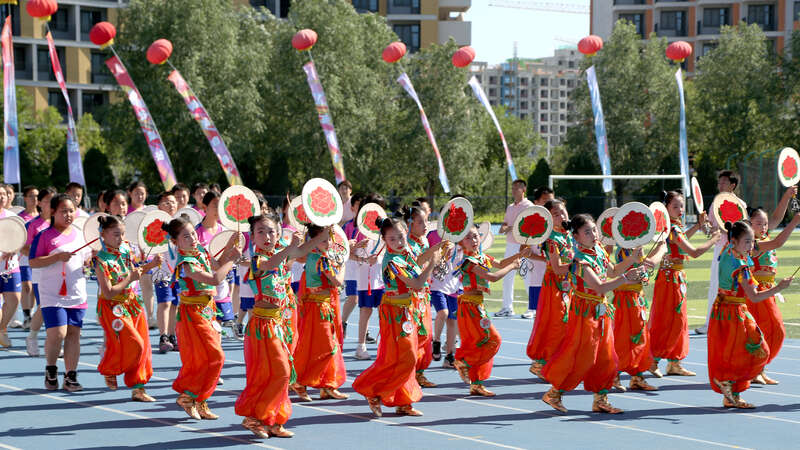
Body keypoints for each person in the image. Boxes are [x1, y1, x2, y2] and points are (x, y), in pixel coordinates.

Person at [235, 213, 326, 438]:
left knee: (282, 374)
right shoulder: (257, 260)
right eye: (261, 232)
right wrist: (289, 248)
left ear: (279, 233)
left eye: (272, 231)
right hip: (263, 326)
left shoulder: (282, 254)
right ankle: (253, 417)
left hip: (281, 323)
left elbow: (302, 251)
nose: (267, 236)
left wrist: (323, 233)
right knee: (276, 373)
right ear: (252, 237)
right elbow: (271, 263)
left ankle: (273, 419)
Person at [541, 214, 642, 414]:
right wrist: (626, 278)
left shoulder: (599, 250)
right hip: (584, 313)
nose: (593, 234)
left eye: (594, 229)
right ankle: (555, 392)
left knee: (607, 357)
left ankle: (600, 399)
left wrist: (631, 259)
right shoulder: (579, 261)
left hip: (601, 311)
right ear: (576, 237)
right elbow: (599, 286)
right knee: (582, 357)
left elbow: (611, 271)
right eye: (587, 232)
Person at [352, 215, 441, 417]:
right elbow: (417, 283)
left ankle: (403, 401)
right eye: (392, 239)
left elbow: (418, 266)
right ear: (385, 240)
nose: (399, 242)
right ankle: (372, 389)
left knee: (405, 356)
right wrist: (432, 264)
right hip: (395, 313)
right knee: (405, 358)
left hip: (408, 310)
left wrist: (435, 252)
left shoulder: (406, 252)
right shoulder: (392, 261)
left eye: (401, 237)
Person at [164, 215, 241, 420]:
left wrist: (230, 246)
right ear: (175, 242)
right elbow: (215, 278)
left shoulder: (200, 251)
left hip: (207, 310)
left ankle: (199, 399)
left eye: (193, 234)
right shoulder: (186, 263)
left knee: (209, 359)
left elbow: (217, 265)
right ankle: (189, 396)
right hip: (193, 315)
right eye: (186, 236)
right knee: (214, 357)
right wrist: (234, 259)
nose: (192, 239)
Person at [709, 221, 792, 408]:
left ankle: (731, 392)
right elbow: (754, 297)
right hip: (735, 314)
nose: (751, 246)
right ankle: (730, 385)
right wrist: (779, 287)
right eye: (747, 242)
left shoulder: (726, 252)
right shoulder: (742, 267)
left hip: (722, 311)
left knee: (732, 352)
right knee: (757, 351)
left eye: (752, 241)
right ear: (735, 240)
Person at [697, 171, 792, 334]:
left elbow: (772, 221)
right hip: (727, 251)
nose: (720, 185)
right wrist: (704, 226)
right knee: (719, 288)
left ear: (732, 185)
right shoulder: (716, 204)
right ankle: (714, 323)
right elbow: (711, 229)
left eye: (724, 182)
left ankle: (723, 325)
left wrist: (788, 196)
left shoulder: (741, 206)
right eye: (719, 182)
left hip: (737, 251)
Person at [649, 190, 719, 377]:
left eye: (681, 206)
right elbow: (693, 252)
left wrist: (697, 225)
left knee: (678, 321)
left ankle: (674, 362)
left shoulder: (673, 227)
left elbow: (682, 240)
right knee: (666, 320)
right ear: (666, 208)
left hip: (674, 277)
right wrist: (714, 239)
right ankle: (653, 359)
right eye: (675, 206)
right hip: (670, 278)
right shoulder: (673, 228)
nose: (680, 210)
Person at [29, 194, 93, 391]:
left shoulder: (82, 234)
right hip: (52, 294)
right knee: (58, 333)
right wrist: (57, 258)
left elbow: (87, 259)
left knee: (74, 334)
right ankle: (51, 369)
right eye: (63, 211)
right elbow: (33, 261)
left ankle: (70, 376)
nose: (68, 214)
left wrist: (88, 265)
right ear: (53, 212)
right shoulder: (44, 236)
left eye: (71, 210)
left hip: (76, 293)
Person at [93, 215, 161, 402]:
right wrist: (130, 278)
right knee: (135, 344)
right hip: (113, 307)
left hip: (132, 303)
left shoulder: (125, 249)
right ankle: (110, 368)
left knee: (144, 346)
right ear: (103, 234)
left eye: (122, 234)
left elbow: (135, 271)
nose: (121, 238)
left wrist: (152, 265)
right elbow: (108, 292)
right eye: (116, 234)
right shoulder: (100, 260)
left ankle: (138, 388)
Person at [453, 223, 525, 396]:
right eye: (468, 237)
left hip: (477, 304)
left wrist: (521, 254)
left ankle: (476, 383)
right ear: (461, 243)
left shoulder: (481, 256)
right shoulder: (468, 261)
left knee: (480, 342)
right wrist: (513, 266)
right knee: (493, 340)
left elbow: (500, 263)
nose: (474, 239)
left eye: (476, 235)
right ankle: (464, 362)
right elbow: (492, 277)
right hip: (470, 306)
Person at [291, 224, 349, 402]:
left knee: (315, 346)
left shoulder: (313, 256)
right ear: (314, 241)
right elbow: (337, 281)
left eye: (328, 239)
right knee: (327, 347)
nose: (328, 243)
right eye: (323, 239)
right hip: (320, 309)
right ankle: (303, 381)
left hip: (318, 308)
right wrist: (343, 264)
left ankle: (325, 385)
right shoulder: (322, 260)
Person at [746, 208, 800, 384]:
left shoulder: (763, 239)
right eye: (758, 223)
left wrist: (788, 194)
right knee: (771, 330)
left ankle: (759, 368)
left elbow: (776, 216)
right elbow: (778, 243)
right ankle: (754, 369)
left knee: (770, 332)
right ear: (749, 224)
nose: (763, 227)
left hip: (769, 290)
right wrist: (794, 222)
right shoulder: (753, 244)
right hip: (759, 292)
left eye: (765, 224)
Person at [526, 199, 572, 378]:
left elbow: (552, 261)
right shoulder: (552, 238)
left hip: (568, 284)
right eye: (556, 214)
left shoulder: (568, 234)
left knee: (565, 323)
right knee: (557, 323)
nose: (561, 216)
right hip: (555, 285)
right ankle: (544, 363)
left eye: (563, 212)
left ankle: (548, 363)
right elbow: (558, 266)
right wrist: (579, 265)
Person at [611, 240, 665, 392]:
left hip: (636, 297)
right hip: (627, 300)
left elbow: (642, 274)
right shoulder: (624, 252)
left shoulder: (634, 250)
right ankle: (615, 374)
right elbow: (631, 275)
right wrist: (661, 249)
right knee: (624, 338)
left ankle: (637, 376)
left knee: (640, 337)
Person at [404, 203, 447, 388]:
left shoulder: (425, 241)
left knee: (425, 335)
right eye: (420, 222)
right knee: (413, 336)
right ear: (410, 224)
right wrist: (434, 251)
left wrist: (442, 254)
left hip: (424, 294)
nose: (425, 225)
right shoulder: (406, 243)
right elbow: (416, 262)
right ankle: (409, 373)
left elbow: (429, 263)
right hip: (411, 296)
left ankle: (420, 373)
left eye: (426, 221)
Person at [23, 188, 57, 356]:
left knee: (57, 306)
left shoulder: (59, 223)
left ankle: (55, 341)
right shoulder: (33, 225)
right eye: (47, 200)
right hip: (40, 272)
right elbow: (24, 248)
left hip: (60, 273)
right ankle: (33, 336)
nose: (50, 204)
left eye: (53, 200)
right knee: (44, 307)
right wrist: (44, 256)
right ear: (40, 203)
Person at [195, 191, 235, 330]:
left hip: (221, 288)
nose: (219, 209)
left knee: (217, 329)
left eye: (221, 205)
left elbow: (225, 262)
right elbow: (209, 263)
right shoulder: (196, 234)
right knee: (205, 328)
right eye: (215, 205)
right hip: (203, 289)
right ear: (204, 207)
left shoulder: (225, 231)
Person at [496, 179, 534, 317]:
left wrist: (512, 228)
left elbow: (531, 226)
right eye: (512, 188)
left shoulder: (529, 206)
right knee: (507, 276)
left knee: (526, 276)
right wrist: (511, 227)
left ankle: (532, 308)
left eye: (516, 188)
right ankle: (507, 307)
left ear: (523, 190)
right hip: (511, 245)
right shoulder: (510, 207)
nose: (513, 191)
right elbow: (503, 228)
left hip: (523, 245)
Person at [427, 223, 460, 367]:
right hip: (437, 284)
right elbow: (425, 256)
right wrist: (440, 256)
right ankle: (436, 341)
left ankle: (449, 356)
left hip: (454, 285)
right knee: (443, 313)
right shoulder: (433, 235)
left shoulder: (461, 237)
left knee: (453, 321)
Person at [153, 191, 181, 353]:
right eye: (166, 202)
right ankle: (163, 336)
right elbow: (148, 246)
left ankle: (172, 335)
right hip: (161, 271)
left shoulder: (180, 224)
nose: (171, 205)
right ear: (159, 206)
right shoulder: (155, 225)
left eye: (173, 202)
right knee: (164, 302)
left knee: (175, 305)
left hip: (178, 272)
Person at [523, 187, 555, 319]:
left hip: (557, 280)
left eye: (552, 200)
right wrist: (544, 259)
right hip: (537, 278)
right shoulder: (531, 225)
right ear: (536, 202)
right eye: (545, 200)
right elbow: (524, 251)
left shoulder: (559, 226)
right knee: (540, 318)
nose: (549, 204)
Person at [0, 186, 23, 348]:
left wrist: (13, 249)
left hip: (10, 266)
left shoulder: (13, 217)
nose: (1, 197)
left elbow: (22, 239)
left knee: (14, 299)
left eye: (3, 194)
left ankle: (1, 328)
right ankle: (2, 330)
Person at [339, 192, 364, 340]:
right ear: (353, 207)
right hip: (352, 266)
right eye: (358, 205)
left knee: (364, 300)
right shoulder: (348, 226)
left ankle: (364, 330)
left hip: (366, 267)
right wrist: (355, 252)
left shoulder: (370, 227)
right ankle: (343, 322)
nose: (361, 208)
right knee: (354, 297)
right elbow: (342, 250)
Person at [18, 186, 39, 331]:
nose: (34, 199)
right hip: (24, 257)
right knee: (27, 286)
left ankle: (33, 314)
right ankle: (27, 316)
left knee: (35, 288)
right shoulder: (20, 218)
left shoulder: (44, 217)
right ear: (25, 198)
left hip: (40, 257)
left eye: (37, 196)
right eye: (31, 196)